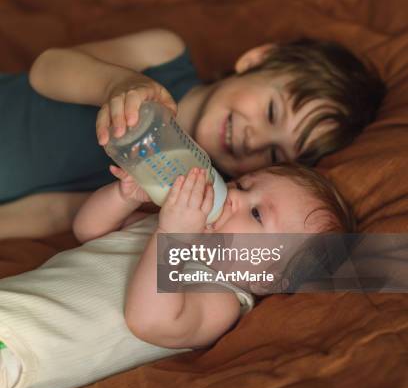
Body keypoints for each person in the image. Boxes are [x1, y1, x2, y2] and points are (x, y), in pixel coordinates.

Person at [0, 162, 355, 388]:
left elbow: (150, 321)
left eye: (257, 215)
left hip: (25, 351)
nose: (233, 197)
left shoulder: (222, 297)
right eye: (244, 185)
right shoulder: (171, 228)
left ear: (271, 280)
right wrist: (126, 195)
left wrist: (173, 235)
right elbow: (90, 232)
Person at [0, 29, 383, 238]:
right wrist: (118, 85)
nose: (255, 139)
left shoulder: (186, 189)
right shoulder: (163, 55)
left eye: (274, 155)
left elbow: (58, 212)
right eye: (271, 112)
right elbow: (46, 68)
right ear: (257, 59)